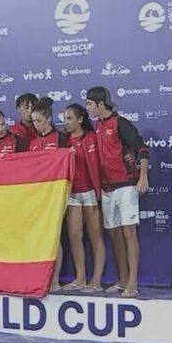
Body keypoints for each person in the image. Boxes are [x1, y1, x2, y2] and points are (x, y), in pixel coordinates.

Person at [85, 86, 149, 298]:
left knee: (129, 233)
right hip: (107, 189)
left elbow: (141, 148)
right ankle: (122, 280)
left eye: (90, 104)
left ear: (100, 104)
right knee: (115, 235)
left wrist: (143, 177)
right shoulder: (97, 126)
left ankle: (133, 283)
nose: (88, 108)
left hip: (126, 185)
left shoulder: (121, 123)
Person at [28, 97, 71, 291]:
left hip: (54, 196)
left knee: (54, 236)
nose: (36, 125)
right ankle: (39, 278)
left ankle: (55, 280)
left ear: (49, 119)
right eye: (34, 121)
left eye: (39, 121)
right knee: (39, 237)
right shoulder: (33, 141)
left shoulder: (61, 138)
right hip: (36, 195)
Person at [62, 103, 105, 293]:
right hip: (72, 193)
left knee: (95, 236)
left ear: (80, 119)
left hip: (90, 192)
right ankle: (80, 278)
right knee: (74, 236)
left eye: (69, 118)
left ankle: (96, 280)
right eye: (64, 118)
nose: (66, 122)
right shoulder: (63, 141)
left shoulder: (92, 137)